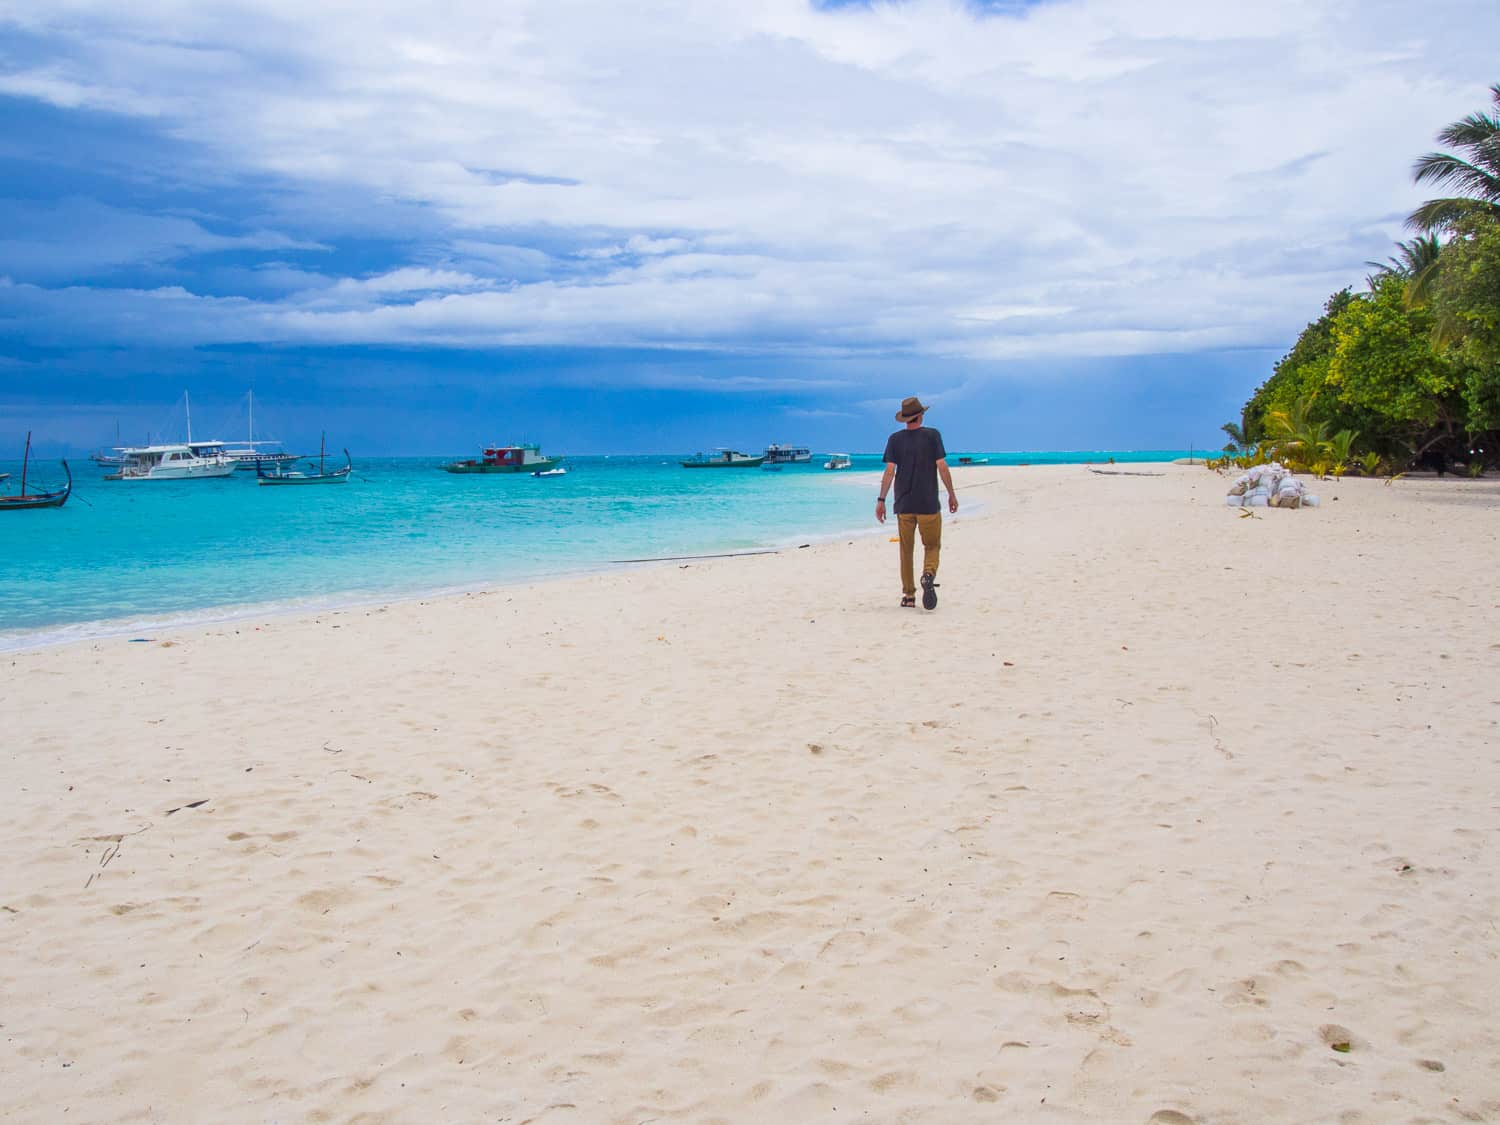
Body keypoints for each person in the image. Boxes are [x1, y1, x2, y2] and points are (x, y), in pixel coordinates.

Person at [875, 396, 958, 609]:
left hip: (904, 504)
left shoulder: (895, 439)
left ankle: (909, 596)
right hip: (928, 503)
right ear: (920, 416)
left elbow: (889, 472)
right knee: (932, 545)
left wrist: (881, 500)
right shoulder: (933, 436)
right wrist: (951, 493)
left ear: (905, 419)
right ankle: (928, 574)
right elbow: (942, 466)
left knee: (906, 550)